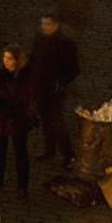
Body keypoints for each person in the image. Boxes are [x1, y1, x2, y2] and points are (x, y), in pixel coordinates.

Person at [0, 46, 36, 196]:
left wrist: (14, 111)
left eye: (10, 58)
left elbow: (26, 99)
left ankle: (23, 186)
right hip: (0, 119)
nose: (6, 61)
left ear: (17, 60)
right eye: (5, 58)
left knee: (20, 152)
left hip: (17, 120)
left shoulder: (25, 76)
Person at [30, 14, 80, 168]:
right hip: (40, 87)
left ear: (56, 25)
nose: (45, 27)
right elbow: (34, 59)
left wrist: (62, 82)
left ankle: (69, 155)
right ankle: (50, 150)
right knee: (45, 120)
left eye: (48, 24)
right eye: (43, 24)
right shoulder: (39, 39)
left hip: (55, 90)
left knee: (58, 122)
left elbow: (74, 69)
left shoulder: (65, 43)